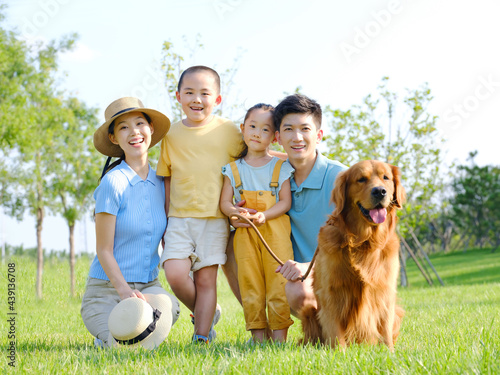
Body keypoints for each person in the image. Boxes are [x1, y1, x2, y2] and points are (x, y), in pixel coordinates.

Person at [226, 94, 348, 318]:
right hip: (286, 268)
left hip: (333, 274)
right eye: (289, 130)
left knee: (297, 289)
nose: (297, 137)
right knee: (232, 241)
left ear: (319, 135)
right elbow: (254, 158)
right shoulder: (272, 174)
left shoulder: (339, 178)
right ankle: (260, 324)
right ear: (278, 137)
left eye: (305, 129)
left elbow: (357, 243)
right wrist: (239, 215)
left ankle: (326, 326)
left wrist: (308, 267)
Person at [81, 97, 180, 348]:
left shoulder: (162, 182)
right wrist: (124, 292)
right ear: (114, 138)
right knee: (122, 345)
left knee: (169, 309)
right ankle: (105, 337)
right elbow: (103, 250)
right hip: (106, 291)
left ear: (151, 129)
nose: (134, 132)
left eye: (139, 123)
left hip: (148, 287)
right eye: (123, 127)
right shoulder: (112, 183)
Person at [157, 66, 243, 344]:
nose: (197, 99)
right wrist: (164, 221)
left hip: (215, 219)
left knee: (206, 281)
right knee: (176, 274)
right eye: (190, 92)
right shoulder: (170, 135)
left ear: (217, 99)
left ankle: (202, 336)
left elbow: (256, 154)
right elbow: (167, 180)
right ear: (179, 96)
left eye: (205, 93)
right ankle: (207, 311)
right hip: (179, 219)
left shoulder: (229, 131)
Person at [220, 103, 295, 343]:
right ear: (243, 128)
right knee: (249, 283)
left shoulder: (280, 167)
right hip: (245, 235)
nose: (256, 133)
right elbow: (225, 203)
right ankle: (258, 338)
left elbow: (285, 202)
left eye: (265, 130)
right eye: (252, 126)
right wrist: (235, 214)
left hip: (276, 232)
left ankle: (280, 338)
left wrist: (265, 215)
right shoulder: (233, 169)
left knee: (278, 283)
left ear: (274, 137)